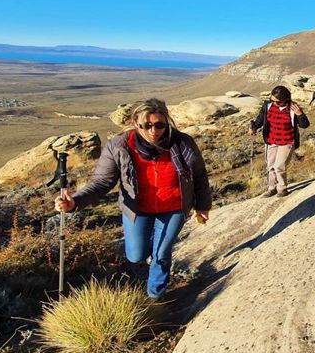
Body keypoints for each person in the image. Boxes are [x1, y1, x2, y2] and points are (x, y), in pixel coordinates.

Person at [55, 98, 211, 299]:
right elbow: (102, 182)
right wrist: (75, 201)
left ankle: (156, 295)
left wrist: (203, 206)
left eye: (159, 125)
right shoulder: (119, 146)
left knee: (161, 254)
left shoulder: (182, 143)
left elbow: (199, 175)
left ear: (167, 122)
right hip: (137, 209)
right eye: (146, 125)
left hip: (174, 207)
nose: (153, 131)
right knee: (135, 255)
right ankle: (151, 251)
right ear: (134, 123)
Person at [250, 86, 310, 197]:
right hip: (271, 141)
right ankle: (271, 188)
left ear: (285, 99)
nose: (274, 103)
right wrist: (254, 127)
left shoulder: (293, 109)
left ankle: (282, 188)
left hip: (287, 141)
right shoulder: (267, 106)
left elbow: (305, 125)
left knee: (279, 166)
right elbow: (260, 119)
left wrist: (300, 114)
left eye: (277, 102)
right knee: (270, 166)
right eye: (272, 100)